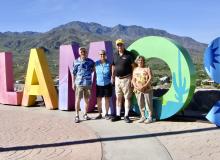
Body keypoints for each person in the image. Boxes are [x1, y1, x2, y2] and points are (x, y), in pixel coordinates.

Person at [111, 39, 135, 123]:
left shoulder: (129, 55)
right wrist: (112, 76)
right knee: (118, 98)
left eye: (121, 45)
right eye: (118, 45)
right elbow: (113, 66)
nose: (119, 46)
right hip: (117, 79)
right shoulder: (115, 55)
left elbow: (133, 67)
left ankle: (126, 115)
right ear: (116, 46)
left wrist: (132, 79)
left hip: (127, 79)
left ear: (124, 45)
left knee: (127, 98)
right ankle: (118, 115)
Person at [72, 47, 95, 123]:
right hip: (79, 83)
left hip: (88, 83)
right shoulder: (76, 62)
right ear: (79, 53)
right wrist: (73, 82)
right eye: (81, 52)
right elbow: (74, 73)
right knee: (77, 100)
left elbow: (93, 69)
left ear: (86, 52)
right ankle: (76, 115)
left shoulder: (91, 61)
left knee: (87, 100)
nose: (83, 53)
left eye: (84, 51)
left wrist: (88, 74)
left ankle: (85, 114)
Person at [132, 55, 153, 123]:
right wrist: (136, 86)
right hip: (138, 89)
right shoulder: (135, 69)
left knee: (148, 102)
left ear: (143, 61)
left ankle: (150, 117)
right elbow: (133, 79)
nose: (140, 61)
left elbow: (150, 77)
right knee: (140, 103)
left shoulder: (147, 68)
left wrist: (145, 85)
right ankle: (143, 116)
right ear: (137, 61)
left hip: (147, 88)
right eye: (139, 60)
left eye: (141, 60)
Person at [94, 50, 112, 120]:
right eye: (101, 54)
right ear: (99, 55)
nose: (102, 55)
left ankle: (106, 114)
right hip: (99, 84)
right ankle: (99, 114)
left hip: (107, 84)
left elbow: (111, 73)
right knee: (99, 100)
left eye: (103, 54)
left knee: (107, 99)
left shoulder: (109, 64)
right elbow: (93, 71)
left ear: (105, 55)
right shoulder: (96, 63)